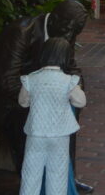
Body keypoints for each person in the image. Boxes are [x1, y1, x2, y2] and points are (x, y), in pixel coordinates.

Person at [0, 1, 92, 191]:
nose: (69, 37)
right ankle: (34, 180)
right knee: (34, 124)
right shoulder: (22, 32)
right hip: (11, 100)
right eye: (68, 31)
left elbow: (72, 68)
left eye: (74, 34)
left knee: (68, 114)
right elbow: (6, 79)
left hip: (39, 94)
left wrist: (76, 86)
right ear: (54, 19)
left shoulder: (64, 30)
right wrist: (39, 98)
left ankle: (68, 176)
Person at [18, 38, 86, 195]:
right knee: (57, 174)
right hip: (60, 134)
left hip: (36, 133)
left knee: (30, 173)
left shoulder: (31, 79)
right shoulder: (68, 81)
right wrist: (77, 89)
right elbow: (80, 102)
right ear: (65, 56)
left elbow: (23, 102)